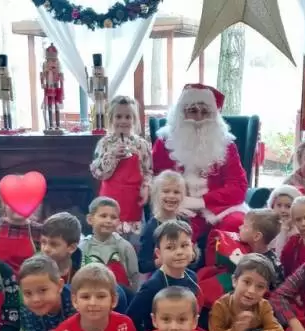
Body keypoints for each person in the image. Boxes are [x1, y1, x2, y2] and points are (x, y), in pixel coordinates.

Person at [152, 83, 248, 241]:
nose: (199, 118)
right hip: (178, 206)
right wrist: (176, 201)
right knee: (175, 232)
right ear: (182, 112)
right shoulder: (165, 142)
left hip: (220, 208)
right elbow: (156, 180)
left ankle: (218, 259)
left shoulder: (226, 144)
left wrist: (201, 202)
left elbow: (238, 186)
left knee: (236, 224)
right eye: (193, 111)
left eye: (205, 112)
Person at [40, 211, 128, 313]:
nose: (46, 249)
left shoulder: (90, 268)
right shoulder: (35, 269)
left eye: (53, 244)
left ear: (72, 248)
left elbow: (114, 293)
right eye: (43, 242)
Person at [90, 95, 152, 237]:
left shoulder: (141, 144)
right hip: (109, 199)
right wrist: (112, 156)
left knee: (132, 242)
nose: (123, 121)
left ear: (134, 119)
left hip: (133, 200)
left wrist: (146, 188)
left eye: (128, 117)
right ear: (111, 118)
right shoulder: (104, 144)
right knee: (108, 238)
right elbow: (97, 173)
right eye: (119, 116)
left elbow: (148, 171)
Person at [127, 220, 200, 331]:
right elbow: (131, 319)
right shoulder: (152, 286)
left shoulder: (192, 276)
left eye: (184, 245)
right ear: (158, 253)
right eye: (170, 247)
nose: (179, 252)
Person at [18, 254, 75, 331]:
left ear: (59, 286)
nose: (36, 299)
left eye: (43, 290)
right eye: (28, 293)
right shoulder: (29, 310)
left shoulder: (75, 303)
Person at [80, 197, 140, 291]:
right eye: (103, 216)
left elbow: (134, 277)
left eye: (113, 217)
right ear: (90, 219)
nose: (108, 221)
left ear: (118, 222)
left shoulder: (125, 247)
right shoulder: (82, 247)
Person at [138, 170, 187, 274]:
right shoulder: (151, 228)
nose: (171, 196)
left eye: (176, 192)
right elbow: (142, 265)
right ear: (156, 194)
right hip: (160, 277)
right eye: (166, 191)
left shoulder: (184, 221)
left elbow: (192, 254)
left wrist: (191, 255)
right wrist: (161, 261)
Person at [237, 209, 285, 288]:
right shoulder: (246, 250)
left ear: (257, 236)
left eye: (245, 226)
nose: (239, 227)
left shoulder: (265, 265)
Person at [0, 199, 42, 275]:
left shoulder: (39, 230)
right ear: (4, 205)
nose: (19, 207)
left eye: (24, 203)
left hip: (27, 280)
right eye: (14, 203)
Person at [267, 185, 301, 257]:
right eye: (279, 205)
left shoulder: (298, 232)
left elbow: (280, 256)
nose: (283, 210)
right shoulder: (267, 227)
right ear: (272, 206)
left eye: (288, 206)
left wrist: (284, 229)